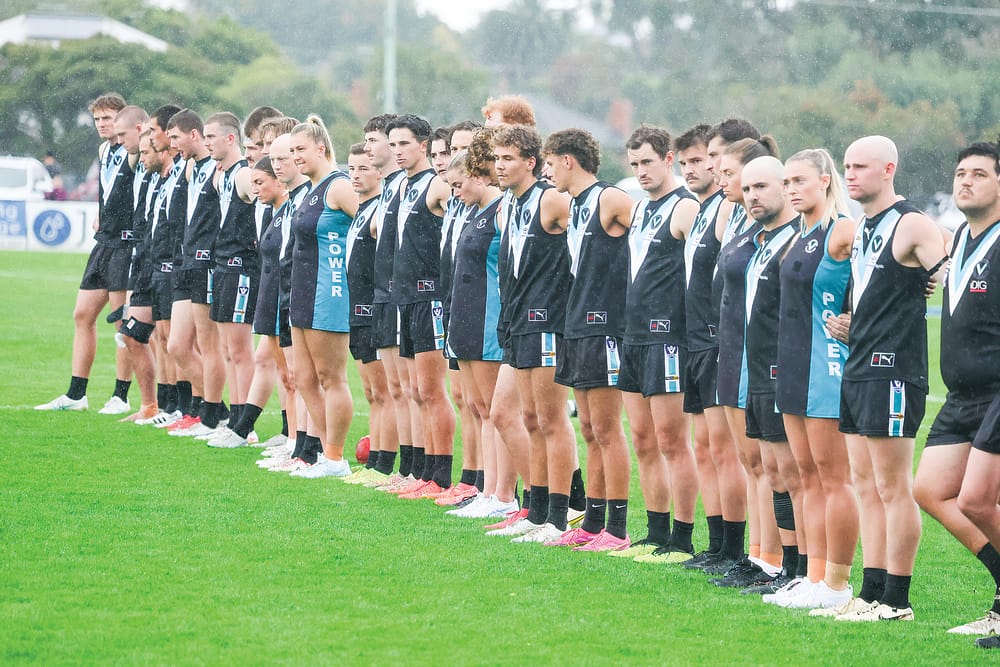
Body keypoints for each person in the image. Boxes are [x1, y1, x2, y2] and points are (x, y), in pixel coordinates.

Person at [826, 135, 948, 622]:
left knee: (893, 485)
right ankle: (871, 592)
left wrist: (936, 271)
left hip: (893, 371)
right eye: (847, 166)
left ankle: (897, 598)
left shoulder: (911, 221)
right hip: (858, 368)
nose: (850, 174)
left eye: (860, 167)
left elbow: (949, 270)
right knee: (864, 484)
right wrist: (850, 322)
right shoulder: (861, 226)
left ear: (888, 169)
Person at [911, 140, 1000, 639]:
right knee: (930, 491)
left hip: (997, 393)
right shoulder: (958, 240)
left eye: (979, 174)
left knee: (976, 502)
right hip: (964, 395)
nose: (964, 181)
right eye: (960, 173)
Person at [483, 124, 588, 540]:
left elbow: (597, 227)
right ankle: (538, 511)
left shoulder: (551, 200)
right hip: (518, 323)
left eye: (508, 158)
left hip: (548, 323)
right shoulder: (509, 204)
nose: (500, 165)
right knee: (521, 417)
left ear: (531, 162)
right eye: (497, 158)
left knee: (550, 419)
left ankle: (561, 515)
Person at [765, 149, 859, 610]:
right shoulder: (796, 235)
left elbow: (917, 249)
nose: (791, 189)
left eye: (799, 180)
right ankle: (814, 575)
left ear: (825, 181)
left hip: (825, 368)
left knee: (832, 478)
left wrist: (929, 276)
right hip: (792, 366)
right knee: (805, 477)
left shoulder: (841, 228)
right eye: (786, 182)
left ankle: (838, 584)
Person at [645, 124, 743, 567]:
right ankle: (717, 544)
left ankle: (739, 549)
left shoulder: (726, 209)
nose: (694, 169)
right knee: (705, 449)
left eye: (701, 160)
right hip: (695, 343)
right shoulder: (702, 209)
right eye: (686, 162)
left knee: (727, 451)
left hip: (720, 343)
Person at [610, 126, 700, 561]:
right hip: (633, 335)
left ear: (669, 159)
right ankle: (655, 532)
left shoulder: (685, 208)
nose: (641, 171)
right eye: (634, 165)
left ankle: (682, 538)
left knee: (671, 441)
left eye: (647, 161)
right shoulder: (641, 208)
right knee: (643, 439)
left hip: (668, 338)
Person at [543, 128, 635, 551]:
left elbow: (651, 245)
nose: (547, 173)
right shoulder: (574, 206)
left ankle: (617, 528)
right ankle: (593, 523)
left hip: (605, 327)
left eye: (549, 163)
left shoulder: (610, 199)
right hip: (577, 325)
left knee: (607, 429)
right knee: (591, 432)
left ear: (568, 160)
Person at [720, 155, 802, 592]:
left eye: (761, 187)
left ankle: (797, 568)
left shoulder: (800, 236)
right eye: (747, 188)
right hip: (750, 366)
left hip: (783, 372)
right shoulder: (761, 238)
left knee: (794, 475)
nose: (752, 195)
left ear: (787, 187)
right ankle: (770, 560)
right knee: (766, 469)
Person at [36, 92, 135, 414]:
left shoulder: (134, 151)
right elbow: (109, 189)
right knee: (83, 315)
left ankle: (121, 396)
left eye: (108, 118)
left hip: (126, 244)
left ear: (123, 120)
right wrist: (100, 213)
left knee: (123, 324)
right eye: (98, 119)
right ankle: (77, 394)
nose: (102, 125)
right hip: (103, 242)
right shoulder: (104, 150)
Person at [385, 114, 456, 498]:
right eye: (392, 144)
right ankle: (423, 472)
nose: (397, 151)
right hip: (406, 298)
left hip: (430, 299)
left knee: (431, 390)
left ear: (424, 145)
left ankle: (440, 474)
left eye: (404, 144)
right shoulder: (401, 187)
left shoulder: (436, 186)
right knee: (414, 390)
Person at [286, 115, 358, 477]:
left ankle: (334, 455)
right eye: (292, 150)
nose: (296, 156)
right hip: (302, 294)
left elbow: (368, 231)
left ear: (321, 148)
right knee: (304, 378)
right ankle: (326, 455)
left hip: (328, 294)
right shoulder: (311, 188)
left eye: (301, 149)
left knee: (332, 377)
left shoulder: (339, 186)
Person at [340, 143, 397, 485]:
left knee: (384, 391)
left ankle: (384, 464)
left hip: (375, 308)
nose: (357, 175)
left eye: (363, 168)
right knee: (372, 393)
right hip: (356, 309)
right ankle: (374, 462)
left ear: (378, 172)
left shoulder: (380, 209)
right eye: (352, 169)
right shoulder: (360, 210)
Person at [163, 109, 220, 435]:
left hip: (206, 264)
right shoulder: (190, 168)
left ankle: (213, 412)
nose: (172, 145)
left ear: (193, 135)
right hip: (186, 262)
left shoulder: (216, 167)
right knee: (178, 346)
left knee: (209, 346)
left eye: (175, 138)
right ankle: (210, 408)